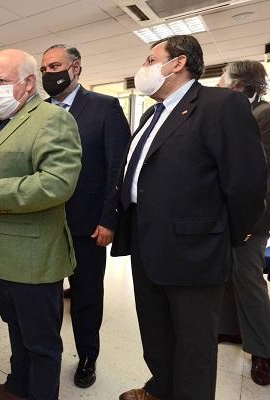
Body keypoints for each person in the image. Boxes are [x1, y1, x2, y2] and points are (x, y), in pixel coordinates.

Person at [111, 35, 267, 400]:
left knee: (194, 344)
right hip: (146, 242)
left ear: (177, 63)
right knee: (156, 332)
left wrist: (230, 236)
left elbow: (246, 182)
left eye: (151, 59)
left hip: (195, 249)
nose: (145, 68)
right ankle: (160, 388)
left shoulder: (221, 104)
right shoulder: (153, 113)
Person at [0, 49, 82, 400]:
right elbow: (0, 175)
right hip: (2, 255)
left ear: (28, 83)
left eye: (1, 81)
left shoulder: (52, 119)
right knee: (16, 329)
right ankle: (18, 386)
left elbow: (57, 182)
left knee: (41, 342)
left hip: (33, 258)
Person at [40, 44, 130, 388]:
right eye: (44, 68)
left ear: (75, 69)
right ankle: (48, 353)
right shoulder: (40, 112)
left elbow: (116, 170)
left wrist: (109, 220)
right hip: (44, 223)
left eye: (55, 66)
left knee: (86, 296)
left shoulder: (105, 108)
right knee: (46, 296)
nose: (49, 73)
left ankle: (88, 356)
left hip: (88, 224)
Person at [217, 60, 270, 386]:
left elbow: (257, 172)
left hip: (254, 213)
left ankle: (264, 350)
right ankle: (231, 330)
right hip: (228, 211)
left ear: (239, 84)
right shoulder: (232, 111)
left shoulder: (265, 115)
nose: (219, 81)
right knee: (227, 271)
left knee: (248, 277)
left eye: (224, 76)